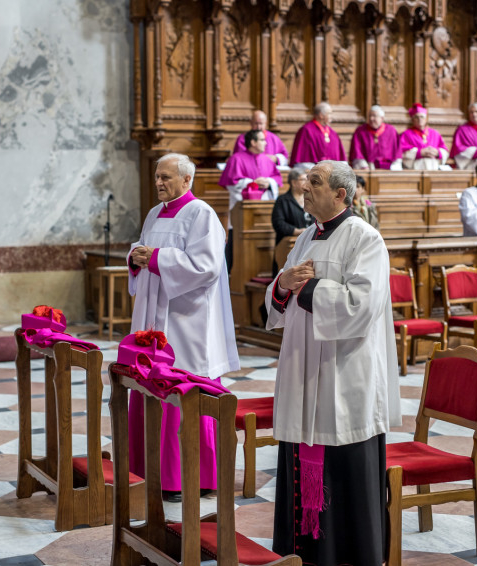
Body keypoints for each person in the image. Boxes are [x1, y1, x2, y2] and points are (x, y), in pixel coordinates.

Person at [265, 160, 399, 566]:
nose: (304, 188)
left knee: (343, 468)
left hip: (344, 375)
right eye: (306, 181)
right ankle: (301, 555)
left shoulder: (365, 238)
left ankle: (347, 556)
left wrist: (307, 289)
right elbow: (281, 293)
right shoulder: (306, 236)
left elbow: (361, 305)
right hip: (303, 368)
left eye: (315, 182)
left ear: (341, 194)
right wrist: (283, 285)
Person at [127, 153, 240, 502]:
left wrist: (156, 258)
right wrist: (136, 257)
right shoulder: (154, 213)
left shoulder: (201, 213)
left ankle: (193, 477)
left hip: (186, 319)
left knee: (182, 388)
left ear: (187, 179)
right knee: (151, 384)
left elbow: (207, 266)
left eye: (166, 177)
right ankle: (150, 472)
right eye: (157, 176)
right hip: (153, 316)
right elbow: (144, 249)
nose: (158, 182)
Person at [219, 129, 282, 212]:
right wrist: (253, 183)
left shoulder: (267, 160)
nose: (266, 143)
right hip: (242, 208)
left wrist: (269, 182)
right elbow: (231, 184)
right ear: (253, 142)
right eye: (262, 140)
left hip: (265, 206)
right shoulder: (236, 159)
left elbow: (277, 178)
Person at [271, 166, 313, 275]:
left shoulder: (310, 199)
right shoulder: (283, 200)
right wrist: (298, 231)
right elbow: (278, 223)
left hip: (309, 243)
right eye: (303, 179)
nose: (307, 183)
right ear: (294, 182)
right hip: (287, 245)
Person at [348, 105, 401, 170]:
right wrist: (364, 166)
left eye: (374, 116)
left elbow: (397, 152)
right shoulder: (360, 131)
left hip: (388, 168)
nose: (371, 118)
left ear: (382, 118)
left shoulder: (391, 131)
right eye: (370, 116)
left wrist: (394, 167)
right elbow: (357, 152)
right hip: (368, 167)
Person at [399, 103, 449, 170]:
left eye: (422, 117)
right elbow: (401, 153)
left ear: (426, 119)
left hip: (434, 167)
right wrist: (419, 153)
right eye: (416, 117)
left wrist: (438, 152)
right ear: (412, 120)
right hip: (416, 168)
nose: (420, 119)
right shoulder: (406, 134)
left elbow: (445, 151)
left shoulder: (435, 133)